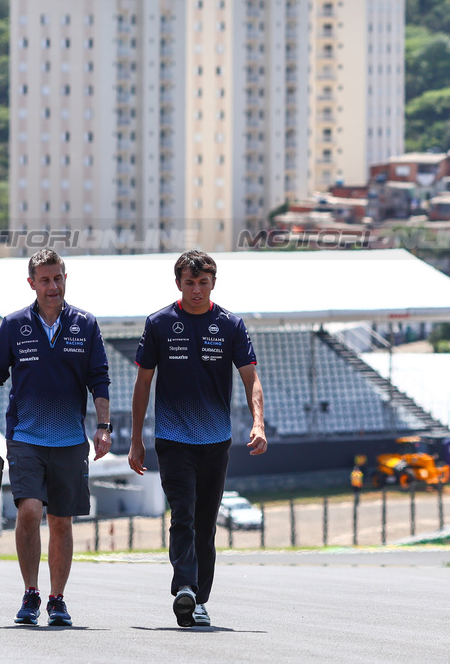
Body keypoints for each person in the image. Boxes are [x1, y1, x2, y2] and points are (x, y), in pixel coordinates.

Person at [129, 249, 267, 628]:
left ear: (213, 283)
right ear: (178, 284)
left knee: (205, 524)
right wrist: (137, 438)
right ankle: (185, 588)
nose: (195, 290)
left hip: (216, 440)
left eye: (202, 283)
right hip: (173, 439)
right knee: (184, 515)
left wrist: (258, 423)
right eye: (189, 283)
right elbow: (143, 383)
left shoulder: (231, 325)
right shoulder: (158, 323)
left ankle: (199, 600)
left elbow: (251, 379)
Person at [0, 249, 111, 628]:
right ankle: (30, 592)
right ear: (32, 283)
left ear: (65, 278)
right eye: (45, 280)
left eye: (58, 278)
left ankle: (57, 600)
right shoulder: (13, 324)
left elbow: (99, 379)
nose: (52, 286)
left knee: (61, 522)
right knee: (30, 511)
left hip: (71, 440)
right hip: (26, 436)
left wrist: (103, 427)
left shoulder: (85, 324)